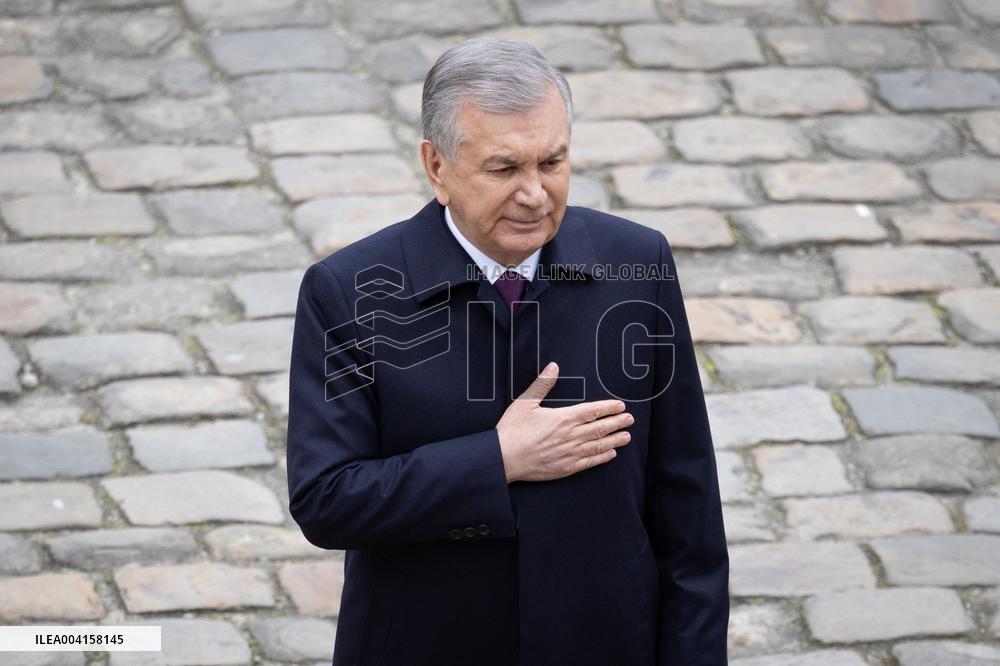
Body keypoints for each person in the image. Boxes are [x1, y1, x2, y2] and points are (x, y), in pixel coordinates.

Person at [286, 37, 729, 666]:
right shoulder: (349, 291)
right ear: (436, 166)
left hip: (606, 638)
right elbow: (327, 500)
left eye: (552, 162)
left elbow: (688, 500)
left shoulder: (639, 263)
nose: (535, 195)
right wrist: (497, 459)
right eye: (504, 169)